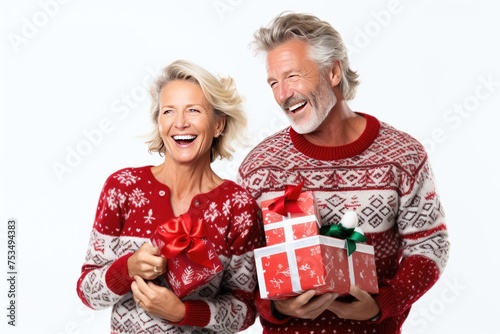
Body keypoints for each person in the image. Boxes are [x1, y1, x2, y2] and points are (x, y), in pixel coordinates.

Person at [237, 12, 450, 334]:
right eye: (273, 82)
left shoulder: (403, 155)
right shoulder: (260, 166)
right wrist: (275, 305)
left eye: (293, 76)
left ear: (334, 71)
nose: (282, 94)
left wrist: (385, 302)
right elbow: (238, 265)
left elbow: (430, 243)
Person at [76, 59, 264, 333]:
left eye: (194, 110)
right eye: (168, 112)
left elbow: (245, 309)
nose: (180, 123)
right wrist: (128, 268)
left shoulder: (238, 206)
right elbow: (87, 292)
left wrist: (183, 312)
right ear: (159, 123)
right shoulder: (123, 188)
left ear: (218, 125)